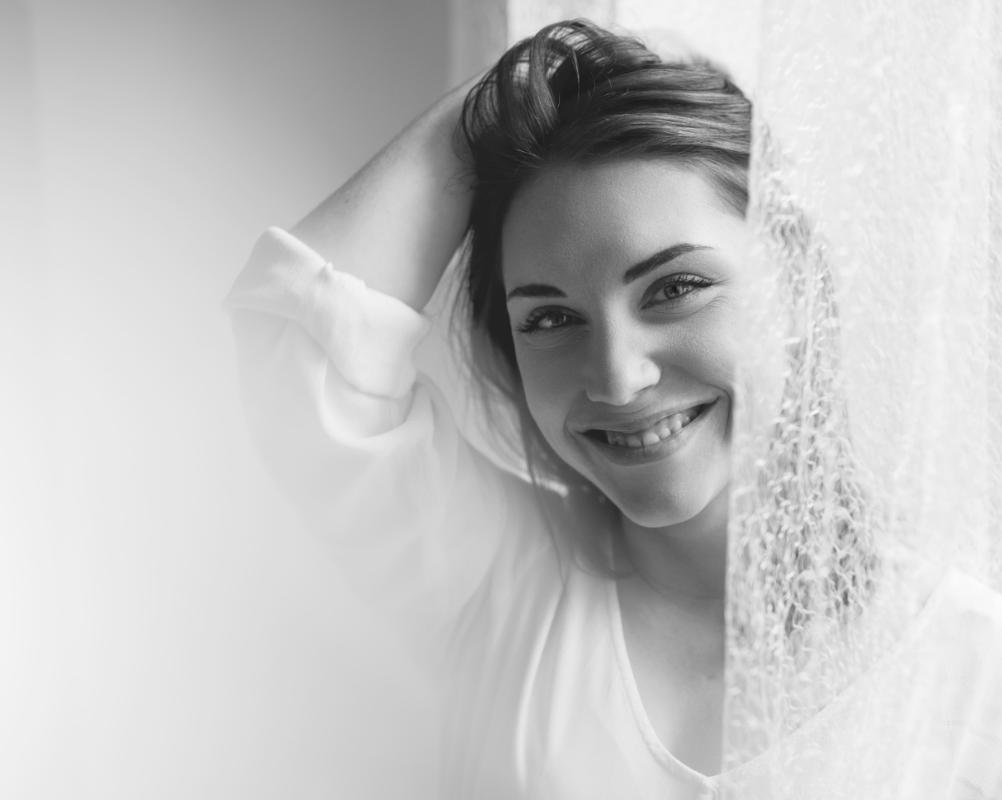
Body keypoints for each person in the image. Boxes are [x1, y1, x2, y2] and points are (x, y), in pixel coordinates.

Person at [225, 19, 1002, 799]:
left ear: (793, 282)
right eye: (551, 318)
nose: (618, 379)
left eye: (675, 288)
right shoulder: (502, 582)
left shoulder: (974, 681)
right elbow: (303, 349)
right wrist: (498, 107)